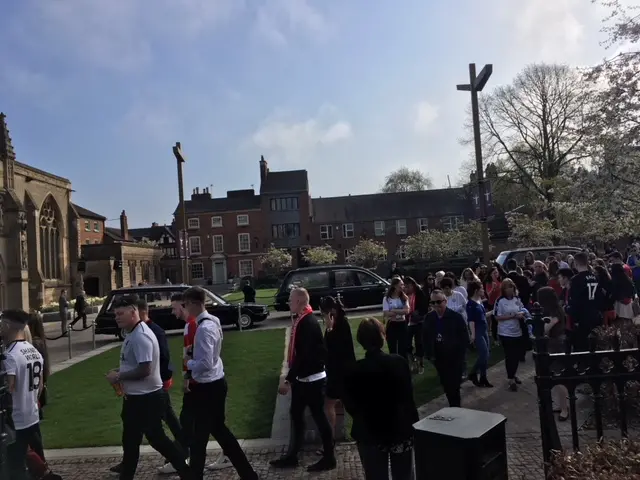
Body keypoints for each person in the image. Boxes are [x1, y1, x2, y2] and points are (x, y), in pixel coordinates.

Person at [104, 296, 190, 480]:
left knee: (158, 440)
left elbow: (145, 369)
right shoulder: (132, 333)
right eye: (115, 314)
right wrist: (120, 371)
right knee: (131, 441)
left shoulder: (140, 336)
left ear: (134, 312)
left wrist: (118, 376)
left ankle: (187, 472)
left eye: (120, 313)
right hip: (136, 398)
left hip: (147, 399)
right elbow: (136, 364)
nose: (116, 317)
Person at [181, 286, 258, 480]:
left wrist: (188, 362)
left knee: (200, 438)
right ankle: (248, 475)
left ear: (193, 303)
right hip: (215, 383)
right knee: (220, 433)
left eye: (186, 304)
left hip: (208, 388)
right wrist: (195, 351)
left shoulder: (204, 328)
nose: (185, 308)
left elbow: (205, 364)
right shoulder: (212, 321)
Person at [343, 318, 418, 480]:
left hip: (370, 433)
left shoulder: (355, 370)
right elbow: (408, 397)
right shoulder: (399, 362)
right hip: (399, 429)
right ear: (382, 337)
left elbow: (350, 404)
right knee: (404, 475)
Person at [271, 287, 336, 472]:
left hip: (312, 380)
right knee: (296, 415)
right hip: (304, 379)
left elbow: (304, 355)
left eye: (291, 299)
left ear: (299, 301)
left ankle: (329, 458)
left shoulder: (307, 322)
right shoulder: (303, 319)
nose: (288, 302)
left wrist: (288, 380)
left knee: (319, 417)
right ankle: (292, 456)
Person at [2, 309, 47, 480]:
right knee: (39, 463)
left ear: (6, 325)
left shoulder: (10, 356)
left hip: (17, 420)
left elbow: (9, 388)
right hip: (32, 415)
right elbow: (41, 386)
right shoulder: (33, 350)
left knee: (16, 467)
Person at [319, 296, 356, 445]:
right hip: (339, 371)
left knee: (331, 404)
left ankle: (331, 438)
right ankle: (332, 437)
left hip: (340, 372)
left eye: (323, 313)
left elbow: (332, 348)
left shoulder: (339, 325)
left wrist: (328, 329)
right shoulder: (339, 323)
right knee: (343, 404)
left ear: (331, 311)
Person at [423, 290, 469, 407]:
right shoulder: (429, 318)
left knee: (454, 386)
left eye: (439, 302)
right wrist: (429, 354)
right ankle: (453, 406)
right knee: (447, 385)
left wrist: (460, 356)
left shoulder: (456, 318)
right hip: (439, 358)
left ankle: (456, 407)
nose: (436, 305)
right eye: (433, 302)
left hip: (454, 358)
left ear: (445, 301)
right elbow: (425, 337)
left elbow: (464, 338)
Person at [537, 286, 569, 421]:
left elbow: (545, 329)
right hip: (554, 344)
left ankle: (565, 409)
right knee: (555, 378)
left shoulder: (555, 312)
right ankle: (561, 404)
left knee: (559, 377)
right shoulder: (554, 310)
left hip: (557, 344)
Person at [567, 252, 604, 352]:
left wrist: (570, 312)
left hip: (582, 318)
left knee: (582, 347)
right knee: (595, 345)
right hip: (595, 314)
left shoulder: (576, 280)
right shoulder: (595, 277)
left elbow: (574, 301)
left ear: (575, 263)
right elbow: (600, 296)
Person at [494, 279, 526, 392]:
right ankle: (510, 378)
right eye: (507, 287)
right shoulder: (500, 301)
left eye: (511, 287)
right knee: (510, 355)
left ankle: (513, 373)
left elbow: (523, 309)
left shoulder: (517, 299)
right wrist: (512, 316)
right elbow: (497, 317)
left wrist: (521, 314)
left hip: (517, 331)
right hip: (505, 332)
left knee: (517, 355)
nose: (509, 289)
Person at [466, 281, 493, 388]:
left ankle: (483, 377)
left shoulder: (479, 301)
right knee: (484, 354)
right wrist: (473, 334)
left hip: (484, 330)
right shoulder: (470, 304)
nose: (483, 290)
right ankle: (473, 373)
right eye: (481, 288)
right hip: (478, 332)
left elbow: (482, 316)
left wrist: (492, 312)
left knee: (486, 355)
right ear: (476, 290)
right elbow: (471, 320)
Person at [403, 276, 429, 374]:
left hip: (418, 322)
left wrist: (418, 313)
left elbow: (424, 307)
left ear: (413, 285)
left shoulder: (419, 293)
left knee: (419, 343)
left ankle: (420, 363)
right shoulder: (403, 295)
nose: (407, 288)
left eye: (408, 286)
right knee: (407, 344)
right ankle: (412, 361)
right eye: (405, 286)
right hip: (407, 322)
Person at [382, 278, 410, 358]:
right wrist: (400, 311)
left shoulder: (404, 298)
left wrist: (394, 310)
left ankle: (404, 367)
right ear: (395, 286)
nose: (403, 286)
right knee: (392, 349)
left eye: (403, 284)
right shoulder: (387, 298)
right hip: (392, 325)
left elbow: (407, 311)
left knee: (403, 349)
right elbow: (386, 313)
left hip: (402, 324)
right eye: (401, 285)